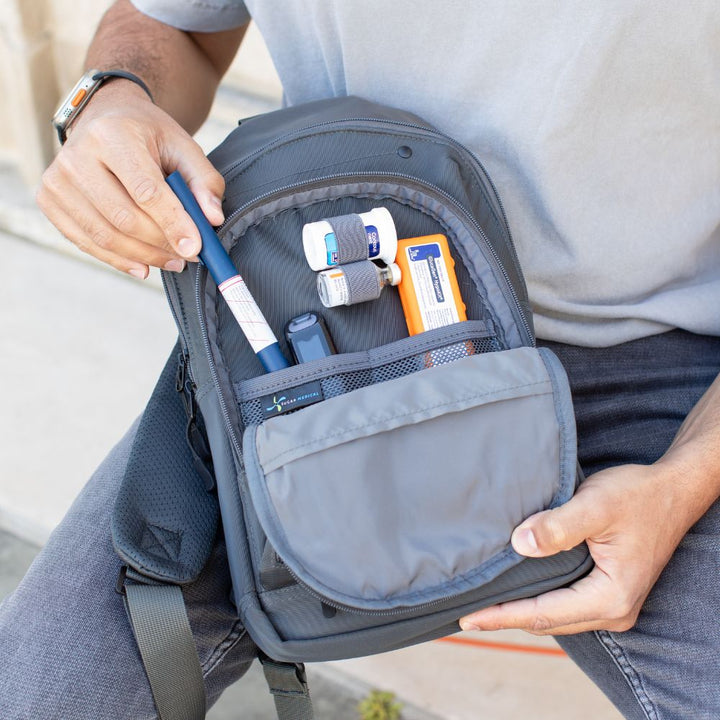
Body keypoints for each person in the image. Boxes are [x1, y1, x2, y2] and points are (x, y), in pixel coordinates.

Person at [3, 1, 720, 718]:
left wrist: (689, 477)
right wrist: (110, 100)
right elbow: (181, 24)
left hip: (653, 366)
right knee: (41, 698)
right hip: (323, 354)